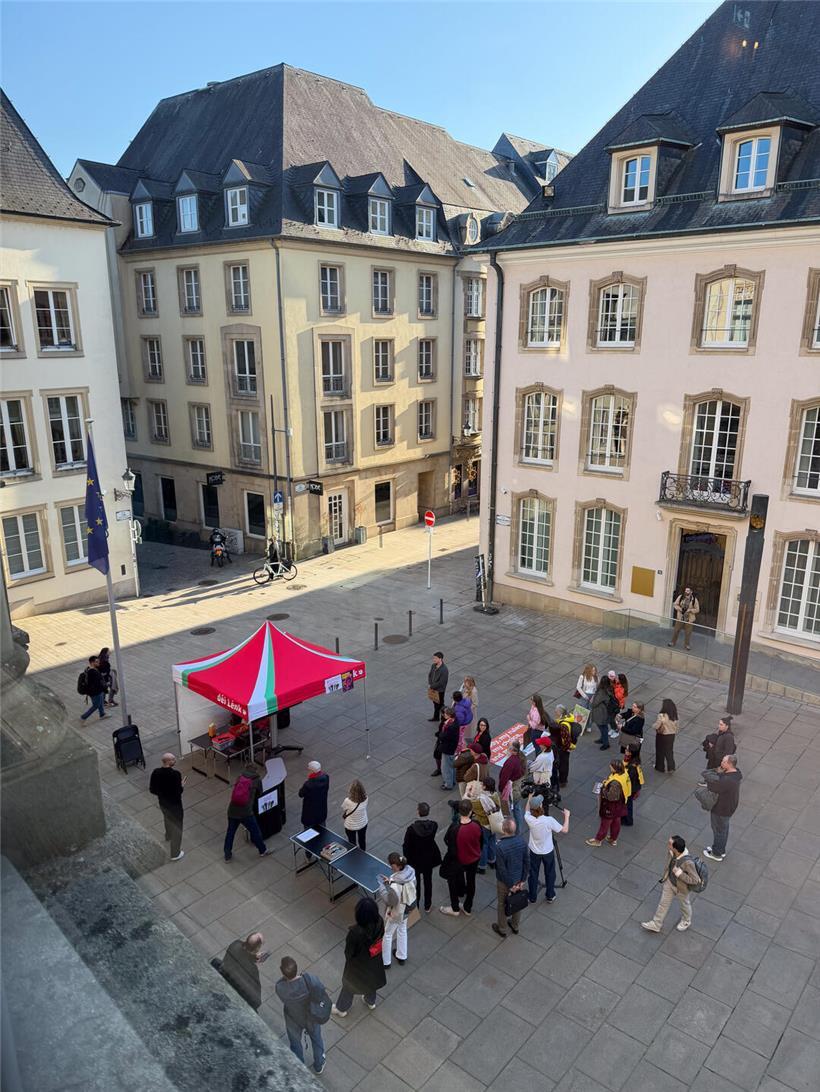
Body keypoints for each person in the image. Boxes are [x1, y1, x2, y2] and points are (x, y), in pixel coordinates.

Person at [332, 898, 386, 1016]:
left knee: (349, 986)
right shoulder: (380, 921)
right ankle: (370, 1001)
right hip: (374, 961)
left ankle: (342, 1008)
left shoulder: (355, 933)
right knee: (372, 983)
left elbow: (349, 952)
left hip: (358, 966)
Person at [275, 956, 327, 1074]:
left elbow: (280, 982)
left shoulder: (280, 987)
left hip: (293, 1018)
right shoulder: (310, 980)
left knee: (295, 1042)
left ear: (282, 972)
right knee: (316, 1039)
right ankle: (319, 1064)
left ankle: (299, 1067)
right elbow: (321, 990)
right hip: (311, 1017)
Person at [641, 835, 701, 933]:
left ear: (675, 848)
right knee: (663, 904)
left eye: (670, 844)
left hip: (682, 888)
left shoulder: (688, 863)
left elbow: (695, 880)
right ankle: (656, 924)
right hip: (670, 883)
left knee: (684, 905)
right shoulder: (672, 853)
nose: (667, 844)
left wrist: (680, 874)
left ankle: (686, 920)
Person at [439, 800, 482, 917]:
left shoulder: (455, 828)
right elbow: (481, 841)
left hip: (458, 859)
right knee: (471, 881)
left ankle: (455, 907)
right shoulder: (477, 825)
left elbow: (446, 840)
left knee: (451, 881)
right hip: (474, 859)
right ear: (471, 811)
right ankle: (468, 907)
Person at [525, 794, 569, 904]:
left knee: (533, 873)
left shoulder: (529, 818)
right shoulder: (548, 820)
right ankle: (550, 895)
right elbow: (564, 830)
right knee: (550, 873)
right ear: (541, 807)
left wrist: (529, 798)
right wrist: (567, 816)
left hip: (534, 851)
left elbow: (526, 810)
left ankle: (532, 897)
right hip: (547, 851)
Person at [224, 763, 270, 861]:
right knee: (255, 831)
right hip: (246, 812)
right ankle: (262, 850)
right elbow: (260, 793)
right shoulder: (257, 780)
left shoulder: (239, 777)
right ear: (255, 771)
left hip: (232, 810)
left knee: (230, 832)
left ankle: (227, 855)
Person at [377, 853, 417, 967]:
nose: (390, 867)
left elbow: (390, 901)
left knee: (388, 934)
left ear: (398, 866)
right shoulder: (411, 873)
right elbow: (403, 884)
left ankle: (386, 962)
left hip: (398, 912)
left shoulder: (395, 886)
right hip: (408, 908)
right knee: (402, 929)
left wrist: (382, 888)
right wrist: (390, 881)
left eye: (392, 865)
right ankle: (401, 956)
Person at [493, 818, 530, 938]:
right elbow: (527, 862)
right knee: (517, 901)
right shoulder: (522, 841)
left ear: (503, 830)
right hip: (518, 879)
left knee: (502, 904)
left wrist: (510, 886)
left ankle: (502, 928)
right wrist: (522, 880)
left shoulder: (500, 847)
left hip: (505, 882)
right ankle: (515, 925)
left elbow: (502, 870)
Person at [403, 802, 442, 913]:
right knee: (428, 881)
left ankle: (417, 905)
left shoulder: (411, 829)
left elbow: (406, 846)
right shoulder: (434, 825)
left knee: (416, 884)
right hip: (428, 858)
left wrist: (407, 858)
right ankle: (428, 905)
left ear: (418, 812)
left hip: (415, 859)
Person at [703, 754, 743, 862]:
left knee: (718, 830)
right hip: (729, 807)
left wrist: (716, 774)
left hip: (721, 808)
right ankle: (721, 850)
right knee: (724, 830)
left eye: (723, 762)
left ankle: (716, 854)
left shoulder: (727, 780)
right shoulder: (736, 774)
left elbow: (712, 786)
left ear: (729, 764)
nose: (721, 763)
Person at [149, 752, 186, 861]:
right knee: (178, 827)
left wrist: (162, 794)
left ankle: (168, 835)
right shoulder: (175, 775)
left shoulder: (155, 772)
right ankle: (175, 853)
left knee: (167, 818)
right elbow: (178, 792)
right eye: (173, 759)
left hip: (163, 803)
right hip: (175, 805)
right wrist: (182, 786)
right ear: (168, 762)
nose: (175, 760)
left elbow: (152, 790)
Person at [586, 758, 631, 847]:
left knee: (605, 823)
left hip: (611, 806)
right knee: (616, 821)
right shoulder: (624, 774)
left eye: (611, 766)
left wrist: (603, 789)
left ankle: (598, 840)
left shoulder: (615, 783)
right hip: (621, 803)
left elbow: (611, 797)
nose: (609, 767)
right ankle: (613, 839)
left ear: (615, 768)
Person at [217, 932, 267, 1010]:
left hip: (224, 975)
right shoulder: (252, 969)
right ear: (257, 948)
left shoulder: (235, 944)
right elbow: (257, 1001)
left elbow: (241, 954)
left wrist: (253, 957)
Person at [471, 775, 501, 871]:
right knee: (492, 841)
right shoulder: (495, 794)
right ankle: (492, 860)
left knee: (483, 844)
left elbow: (474, 808)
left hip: (484, 825)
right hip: (495, 823)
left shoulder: (481, 799)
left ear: (484, 787)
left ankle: (482, 866)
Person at [498, 740, 526, 833]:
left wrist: (501, 789)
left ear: (511, 749)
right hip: (517, 787)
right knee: (517, 809)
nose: (506, 747)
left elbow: (504, 778)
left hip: (511, 790)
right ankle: (518, 830)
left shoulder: (510, 762)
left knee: (509, 810)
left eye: (508, 746)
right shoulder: (520, 756)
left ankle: (512, 830)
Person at [547, 705, 575, 791]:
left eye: (556, 711)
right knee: (563, 764)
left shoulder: (563, 724)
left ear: (561, 712)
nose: (555, 712)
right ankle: (562, 779)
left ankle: (563, 781)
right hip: (564, 747)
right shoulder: (566, 718)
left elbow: (566, 739)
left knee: (563, 764)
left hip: (563, 748)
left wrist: (564, 748)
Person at [299, 760, 330, 828]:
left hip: (310, 813)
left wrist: (306, 782)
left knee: (308, 833)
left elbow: (301, 794)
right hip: (321, 810)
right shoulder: (326, 777)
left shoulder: (308, 784)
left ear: (312, 771)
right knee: (322, 831)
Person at [668, 586, 700, 650]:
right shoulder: (681, 597)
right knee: (676, 630)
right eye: (685, 590)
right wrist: (679, 609)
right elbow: (675, 604)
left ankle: (687, 645)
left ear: (691, 592)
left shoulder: (694, 600)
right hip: (680, 617)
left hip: (689, 619)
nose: (686, 592)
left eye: (688, 591)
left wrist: (690, 610)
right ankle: (672, 642)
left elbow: (697, 609)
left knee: (688, 633)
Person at [653, 699, 679, 773]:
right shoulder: (674, 715)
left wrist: (653, 726)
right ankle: (671, 767)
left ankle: (660, 767)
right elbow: (677, 726)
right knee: (669, 751)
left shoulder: (662, 715)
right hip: (671, 735)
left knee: (660, 751)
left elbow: (657, 725)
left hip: (662, 735)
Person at [341, 779, 368, 850]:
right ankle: (363, 853)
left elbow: (344, 808)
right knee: (362, 840)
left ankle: (354, 855)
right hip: (363, 823)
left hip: (350, 826)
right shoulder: (366, 798)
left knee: (352, 842)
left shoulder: (348, 801)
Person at [438, 706, 459, 791]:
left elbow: (444, 736)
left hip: (448, 748)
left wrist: (440, 735)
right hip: (452, 747)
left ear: (449, 715)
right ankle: (453, 781)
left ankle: (448, 784)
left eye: (445, 714)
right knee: (452, 765)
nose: (444, 715)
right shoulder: (455, 722)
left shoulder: (450, 726)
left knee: (446, 767)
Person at [79, 655, 107, 721]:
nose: (98, 663)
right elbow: (97, 683)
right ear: (92, 663)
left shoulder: (88, 669)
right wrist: (104, 688)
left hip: (94, 691)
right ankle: (83, 717)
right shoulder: (92, 672)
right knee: (96, 705)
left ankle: (102, 714)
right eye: (96, 662)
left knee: (100, 702)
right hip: (95, 692)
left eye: (98, 661)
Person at [622, 746, 644, 826]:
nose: (625, 750)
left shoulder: (632, 767)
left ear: (631, 753)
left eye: (627, 750)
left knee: (628, 804)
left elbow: (628, 779)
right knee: (627, 803)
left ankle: (628, 820)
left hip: (630, 789)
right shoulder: (634, 761)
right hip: (632, 787)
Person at [590, 676, 613, 750]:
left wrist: (592, 702)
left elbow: (595, 703)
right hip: (606, 712)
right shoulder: (609, 689)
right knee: (604, 727)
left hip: (601, 713)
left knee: (602, 728)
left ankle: (606, 743)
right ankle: (602, 739)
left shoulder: (601, 692)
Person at [427, 651, 449, 722]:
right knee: (435, 703)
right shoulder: (433, 665)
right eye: (433, 658)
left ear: (440, 659)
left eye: (435, 658)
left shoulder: (444, 670)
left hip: (440, 690)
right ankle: (436, 717)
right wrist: (430, 683)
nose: (434, 660)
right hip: (433, 689)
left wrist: (432, 686)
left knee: (441, 705)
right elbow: (430, 675)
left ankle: (446, 717)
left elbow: (441, 682)